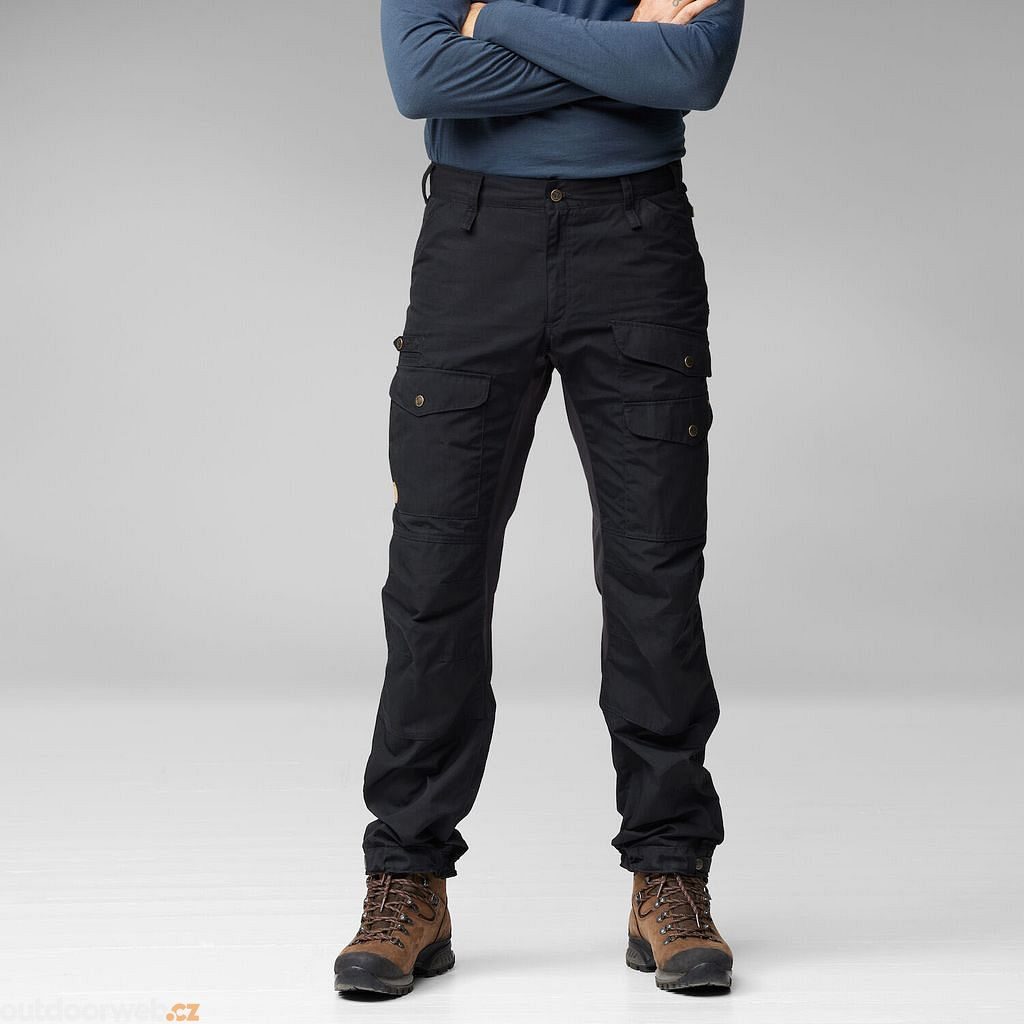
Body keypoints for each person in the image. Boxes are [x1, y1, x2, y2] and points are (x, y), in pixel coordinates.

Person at [334, 0, 744, 998]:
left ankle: (669, 875)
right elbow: (422, 80)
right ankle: (408, 879)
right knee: (435, 576)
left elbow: (691, 73)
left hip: (635, 243)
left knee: (654, 573)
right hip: (476, 244)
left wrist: (495, 19)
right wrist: (624, 56)